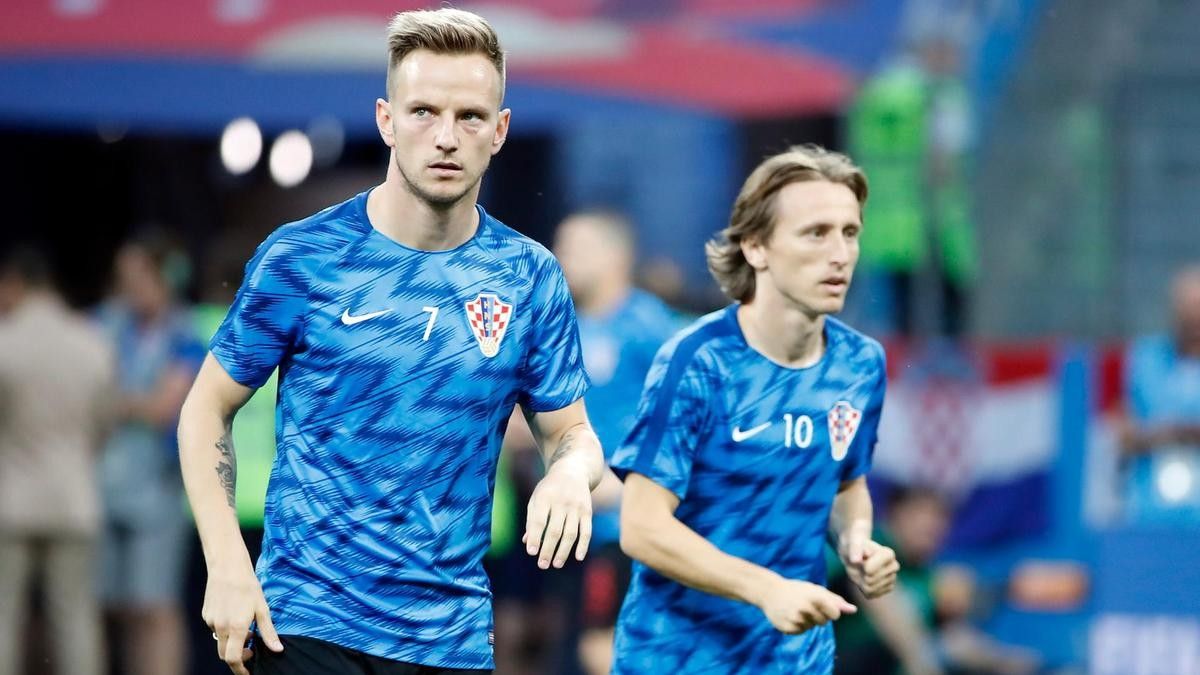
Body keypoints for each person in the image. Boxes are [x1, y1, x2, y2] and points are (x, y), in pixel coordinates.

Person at [177, 8, 604, 675]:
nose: (446, 137)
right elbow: (206, 408)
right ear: (386, 120)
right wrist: (227, 561)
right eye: (423, 112)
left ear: (500, 130)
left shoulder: (529, 277)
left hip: (450, 638)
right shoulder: (303, 258)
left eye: (469, 117)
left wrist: (572, 473)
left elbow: (570, 431)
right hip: (305, 623)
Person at [610, 145, 900, 673]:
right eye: (816, 233)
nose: (840, 254)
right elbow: (642, 526)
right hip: (680, 658)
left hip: (797, 659)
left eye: (850, 233)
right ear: (756, 247)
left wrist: (858, 542)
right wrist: (767, 590)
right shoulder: (698, 360)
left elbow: (845, 483)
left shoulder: (860, 364)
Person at [551, 210, 680, 675]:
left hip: (626, 526)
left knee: (603, 645)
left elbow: (696, 409)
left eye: (576, 248)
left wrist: (635, 482)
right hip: (572, 522)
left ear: (615, 257)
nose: (561, 257)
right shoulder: (563, 327)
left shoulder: (647, 325)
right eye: (561, 247)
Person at [0, 247, 114, 675]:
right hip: (74, 497)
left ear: (15, 284)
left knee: (4, 614)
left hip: (10, 497)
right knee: (75, 617)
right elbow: (105, 423)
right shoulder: (91, 341)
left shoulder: (6, 342)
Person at [97, 233, 206, 675]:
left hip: (159, 487)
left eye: (139, 276)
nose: (130, 286)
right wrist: (131, 404)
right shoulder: (106, 324)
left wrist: (118, 403)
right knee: (118, 607)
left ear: (163, 277)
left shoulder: (185, 332)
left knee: (156, 605)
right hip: (106, 483)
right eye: (124, 278)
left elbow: (165, 408)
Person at [1118, 265, 1200, 525]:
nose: (1194, 323)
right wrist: (1164, 434)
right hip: (1150, 511)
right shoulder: (1145, 359)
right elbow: (1123, 432)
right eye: (1188, 313)